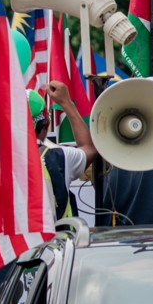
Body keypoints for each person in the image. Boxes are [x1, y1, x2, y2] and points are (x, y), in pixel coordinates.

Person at [35, 81, 97, 220]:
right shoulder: (60, 158)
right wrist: (66, 102)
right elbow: (89, 148)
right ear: (46, 125)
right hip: (58, 240)